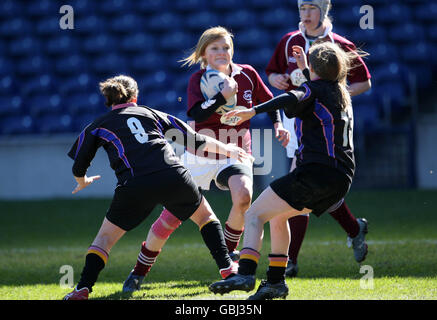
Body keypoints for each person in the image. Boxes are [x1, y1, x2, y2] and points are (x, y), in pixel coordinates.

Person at [123, 26, 291, 291]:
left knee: (244, 196)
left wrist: (278, 125)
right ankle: (139, 271)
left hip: (235, 152)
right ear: (203, 53)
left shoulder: (247, 74)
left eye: (225, 47)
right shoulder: (197, 80)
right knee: (171, 218)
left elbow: (270, 101)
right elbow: (196, 115)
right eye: (215, 48)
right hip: (199, 154)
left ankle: (229, 256)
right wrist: (221, 97)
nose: (222, 52)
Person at [63, 75, 252, 300]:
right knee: (205, 218)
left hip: (134, 184)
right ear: (135, 96)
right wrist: (228, 150)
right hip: (172, 174)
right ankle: (228, 269)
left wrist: (82, 180)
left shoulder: (97, 125)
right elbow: (193, 139)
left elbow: (79, 165)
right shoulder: (150, 113)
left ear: (108, 99)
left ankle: (82, 289)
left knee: (103, 240)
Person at [210, 41, 363, 300]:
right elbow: (313, 90)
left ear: (314, 68)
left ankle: (245, 273)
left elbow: (293, 96)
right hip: (341, 177)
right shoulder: (338, 91)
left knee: (255, 214)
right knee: (279, 218)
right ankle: (275, 283)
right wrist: (307, 69)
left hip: (316, 172)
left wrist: (252, 111)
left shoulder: (313, 90)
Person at [265, 0, 372, 277]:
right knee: (308, 183)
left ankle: (289, 261)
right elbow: (273, 71)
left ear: (324, 11)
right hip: (298, 115)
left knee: (301, 184)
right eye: (302, 9)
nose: (306, 14)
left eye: (312, 8)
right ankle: (353, 228)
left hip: (326, 119)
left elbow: (364, 82)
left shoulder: (340, 44)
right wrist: (276, 77)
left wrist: (332, 93)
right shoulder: (289, 41)